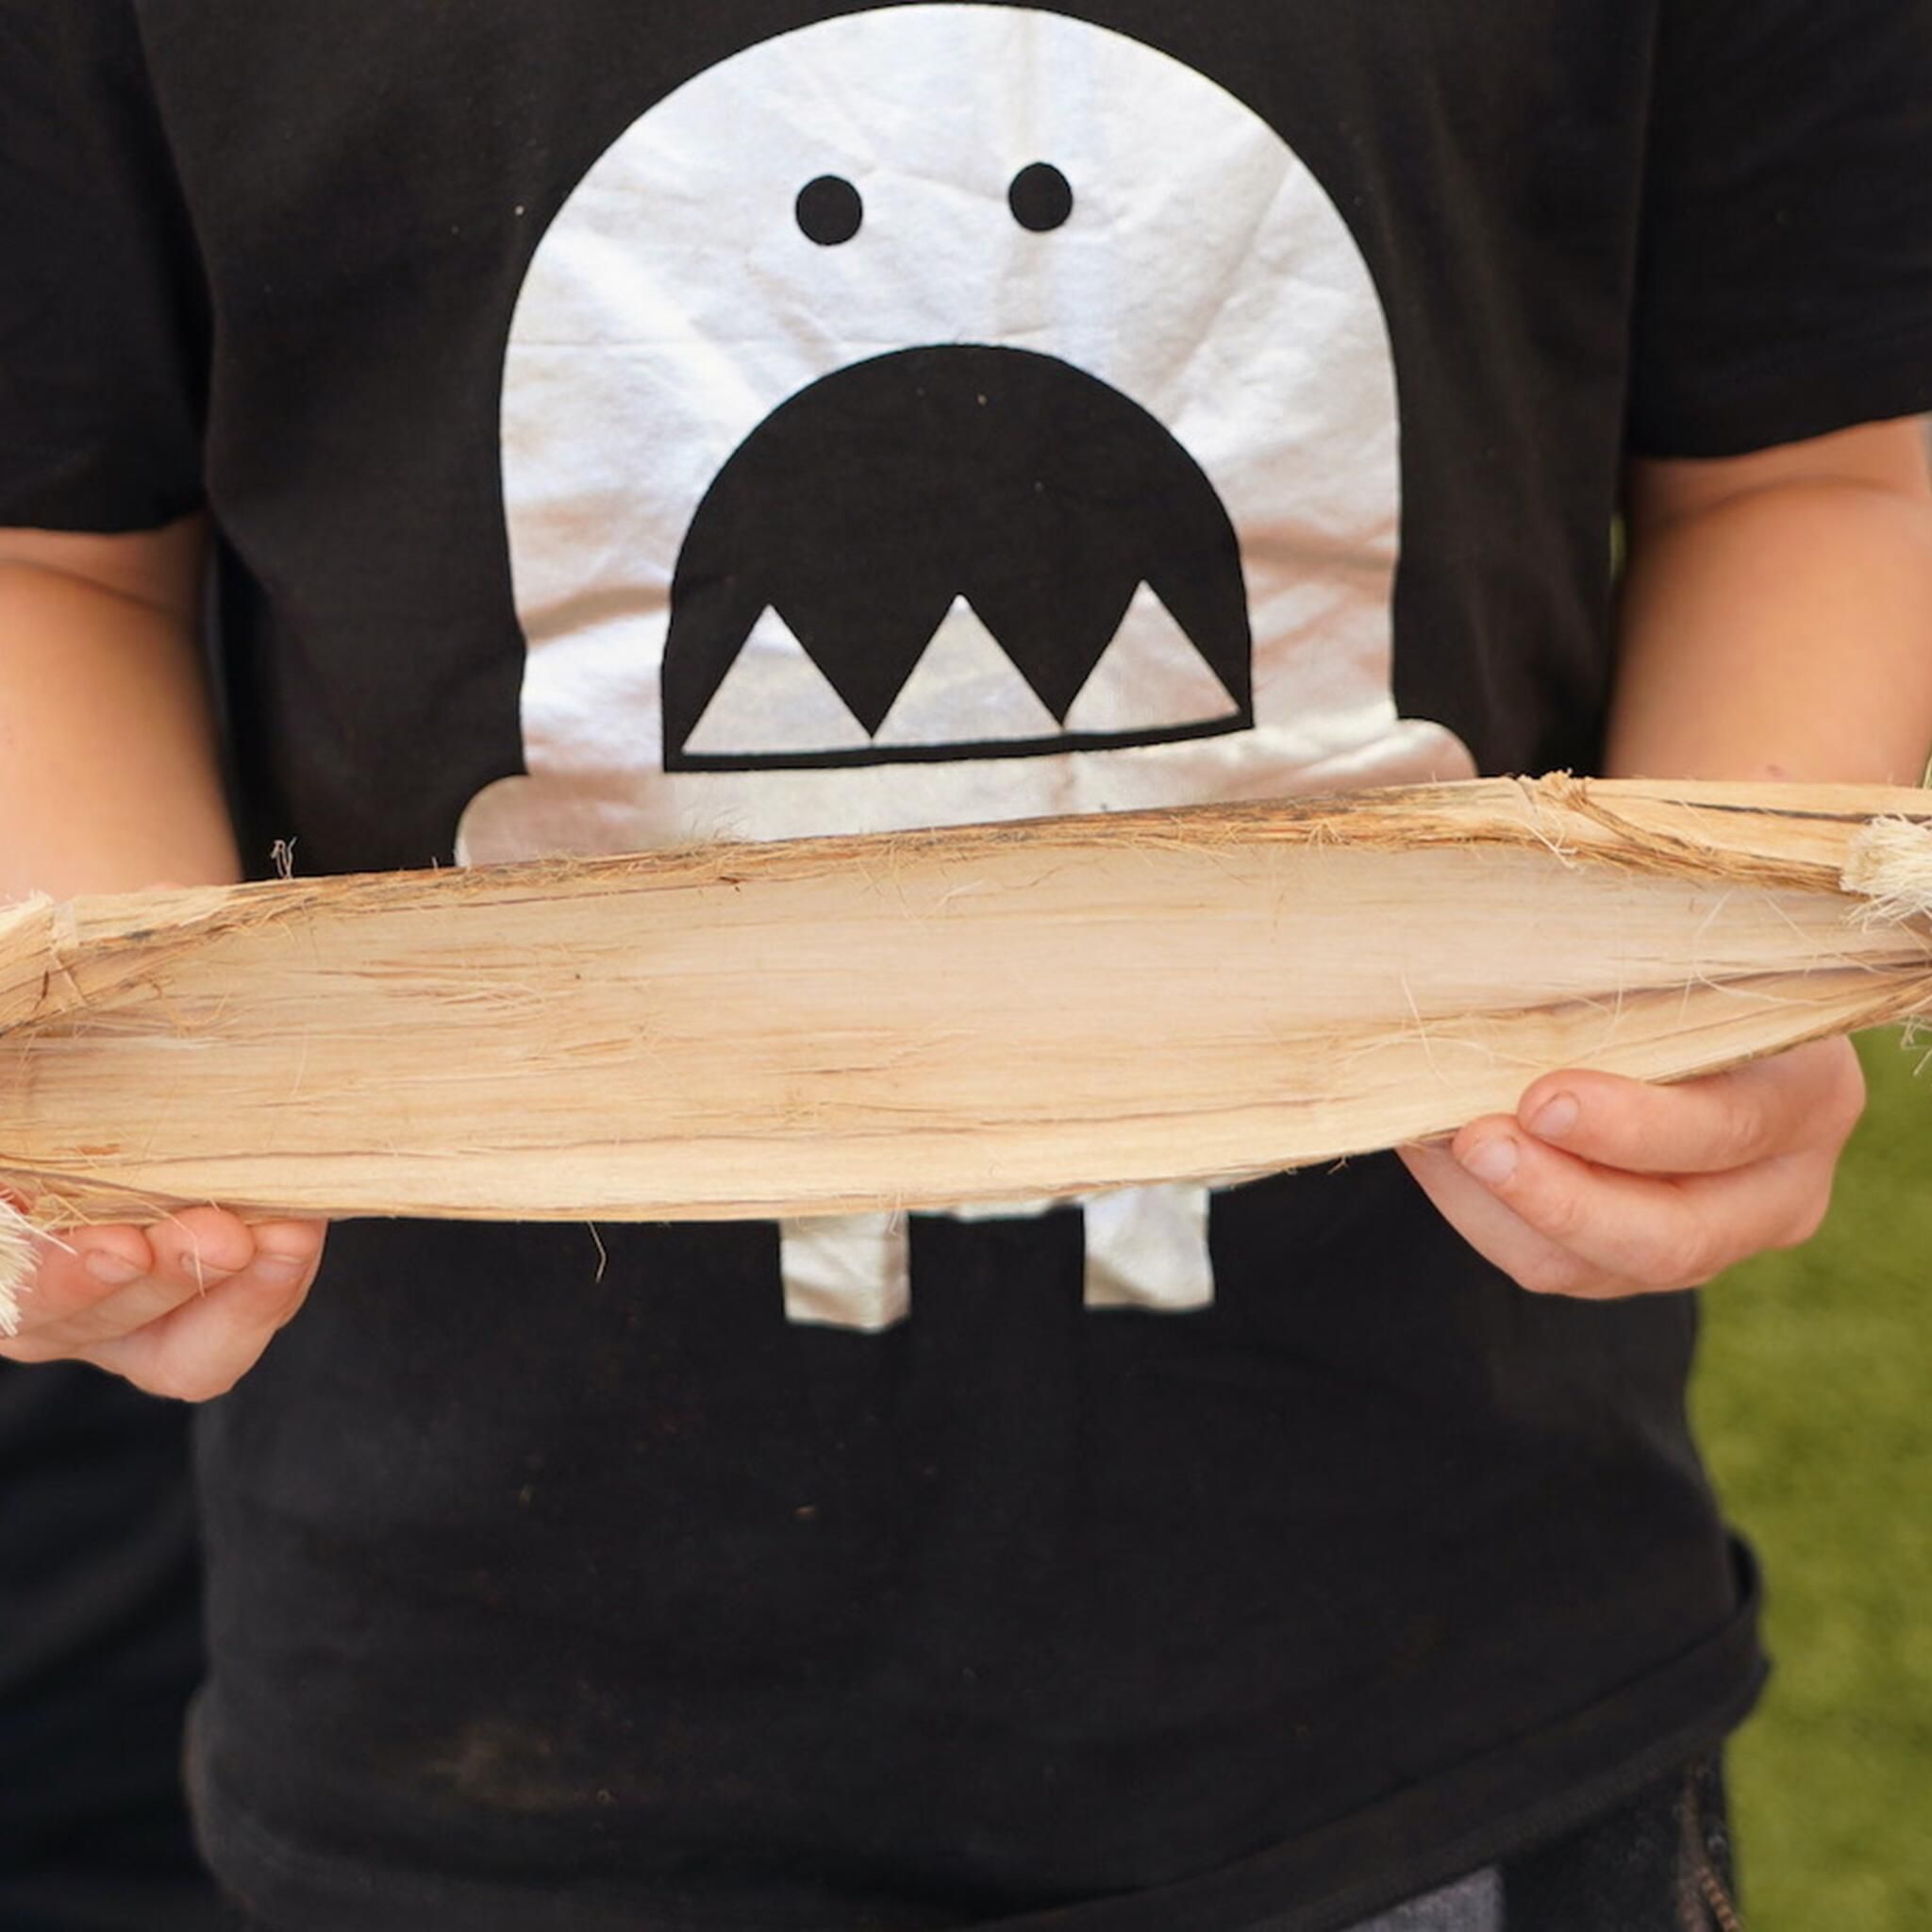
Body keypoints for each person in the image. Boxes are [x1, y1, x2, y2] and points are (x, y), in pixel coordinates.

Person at [3, 4, 1931, 1929]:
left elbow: (1813, 462)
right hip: (475, 1677)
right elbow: (54, 551)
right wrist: (128, 1073)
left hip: (1433, 1650)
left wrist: (1708, 970)